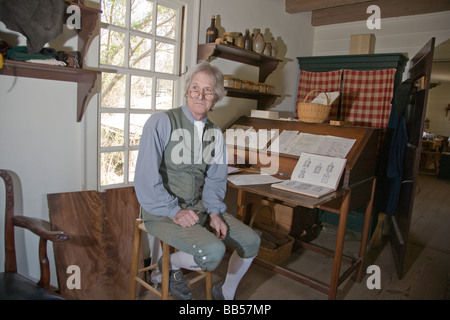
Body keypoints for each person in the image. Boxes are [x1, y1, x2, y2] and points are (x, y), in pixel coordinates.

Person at [134, 61, 260, 300]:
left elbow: (215, 181)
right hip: (161, 212)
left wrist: (213, 213)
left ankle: (225, 294)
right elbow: (145, 178)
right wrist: (174, 211)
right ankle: (166, 265)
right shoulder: (161, 122)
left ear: (216, 97)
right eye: (195, 88)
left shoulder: (216, 135)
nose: (200, 95)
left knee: (252, 241)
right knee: (214, 252)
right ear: (187, 90)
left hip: (198, 208)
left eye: (208, 90)